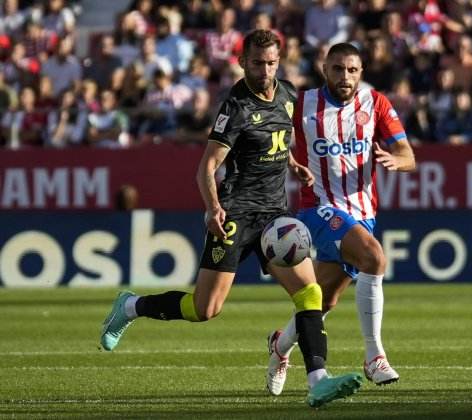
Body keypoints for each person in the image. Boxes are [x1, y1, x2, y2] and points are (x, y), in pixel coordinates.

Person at [99, 29, 362, 409]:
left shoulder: (287, 94)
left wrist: (293, 164)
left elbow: (278, 138)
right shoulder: (236, 106)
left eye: (271, 62)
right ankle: (129, 307)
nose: (265, 70)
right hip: (236, 213)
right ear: (242, 62)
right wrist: (213, 207)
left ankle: (318, 380)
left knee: (310, 292)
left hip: (274, 216)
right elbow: (206, 167)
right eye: (257, 63)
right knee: (205, 310)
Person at [266, 42, 416, 396]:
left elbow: (408, 154)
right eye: (337, 69)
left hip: (362, 213)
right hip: (318, 207)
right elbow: (268, 135)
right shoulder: (302, 104)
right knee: (375, 257)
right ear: (325, 69)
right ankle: (374, 355)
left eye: (352, 70)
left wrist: (398, 162)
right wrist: (289, 161)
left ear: (361, 72)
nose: (345, 76)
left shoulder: (376, 103)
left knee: (320, 300)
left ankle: (280, 346)